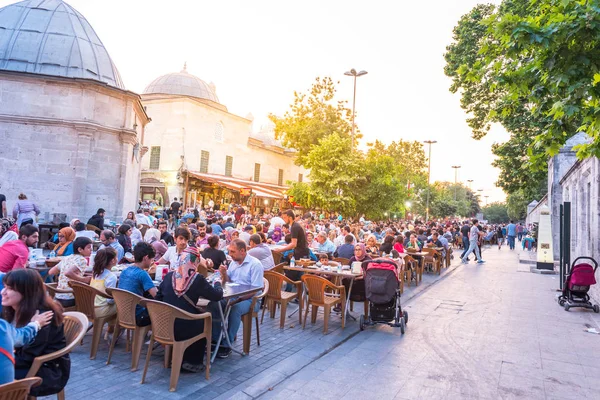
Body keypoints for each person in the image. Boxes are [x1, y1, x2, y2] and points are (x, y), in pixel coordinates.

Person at [155, 247, 224, 373]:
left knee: (190, 316)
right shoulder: (197, 279)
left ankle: (175, 355)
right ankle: (192, 361)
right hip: (183, 328)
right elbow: (217, 296)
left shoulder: (169, 275)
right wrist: (218, 282)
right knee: (203, 321)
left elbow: (158, 298)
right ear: (196, 262)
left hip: (163, 326)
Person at [3, 269, 69, 396]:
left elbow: (28, 356)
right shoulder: (12, 308)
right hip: (22, 361)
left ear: (26, 292)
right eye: (4, 287)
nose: (3, 292)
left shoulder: (44, 316)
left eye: (9, 288)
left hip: (44, 371)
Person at [209, 239, 264, 359]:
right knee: (213, 304)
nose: (230, 254)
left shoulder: (255, 264)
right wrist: (224, 274)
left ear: (242, 251)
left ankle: (226, 344)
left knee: (235, 309)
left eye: (233, 252)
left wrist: (237, 300)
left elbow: (255, 290)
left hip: (251, 299)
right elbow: (229, 282)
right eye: (229, 251)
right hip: (233, 295)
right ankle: (216, 338)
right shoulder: (233, 262)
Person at [117, 242, 157, 327]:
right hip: (138, 316)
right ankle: (154, 337)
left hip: (122, 312)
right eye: (152, 259)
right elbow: (156, 295)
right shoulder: (142, 274)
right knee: (162, 311)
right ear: (146, 258)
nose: (152, 262)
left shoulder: (125, 270)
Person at [48, 237, 93, 308]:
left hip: (58, 296)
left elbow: (51, 272)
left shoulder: (67, 258)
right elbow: (68, 273)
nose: (91, 250)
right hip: (70, 297)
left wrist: (63, 275)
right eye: (88, 247)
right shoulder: (82, 260)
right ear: (80, 249)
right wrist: (84, 279)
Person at [90, 247, 118, 322]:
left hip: (91, 308)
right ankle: (113, 330)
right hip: (102, 310)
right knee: (123, 306)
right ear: (112, 261)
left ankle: (110, 329)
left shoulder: (95, 273)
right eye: (116, 257)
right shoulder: (111, 277)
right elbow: (110, 301)